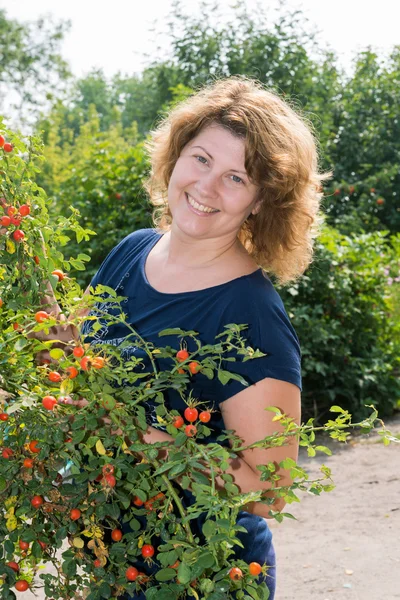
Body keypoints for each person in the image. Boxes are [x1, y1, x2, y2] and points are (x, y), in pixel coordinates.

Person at [39, 76, 331, 599]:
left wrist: (139, 436)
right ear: (175, 156)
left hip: (201, 574)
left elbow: (269, 488)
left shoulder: (251, 314)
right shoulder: (131, 251)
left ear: (263, 200)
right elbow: (78, 378)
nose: (206, 187)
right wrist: (39, 314)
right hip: (109, 560)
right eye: (200, 159)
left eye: (236, 177)